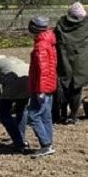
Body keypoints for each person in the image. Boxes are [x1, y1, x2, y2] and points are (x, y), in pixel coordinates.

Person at [54, 2, 88, 125]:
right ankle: (73, 116)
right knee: (76, 89)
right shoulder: (87, 25)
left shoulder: (60, 26)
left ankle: (62, 114)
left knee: (64, 87)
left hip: (64, 61)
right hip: (80, 63)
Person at [0, 54, 31, 152]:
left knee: (2, 113)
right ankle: (21, 139)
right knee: (22, 109)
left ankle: (18, 142)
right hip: (29, 79)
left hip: (13, 83)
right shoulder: (13, 59)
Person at [26, 16, 58, 158]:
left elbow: (43, 70)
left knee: (33, 115)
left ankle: (45, 144)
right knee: (46, 116)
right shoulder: (49, 41)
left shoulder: (41, 46)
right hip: (49, 85)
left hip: (41, 87)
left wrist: (41, 90)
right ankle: (48, 144)